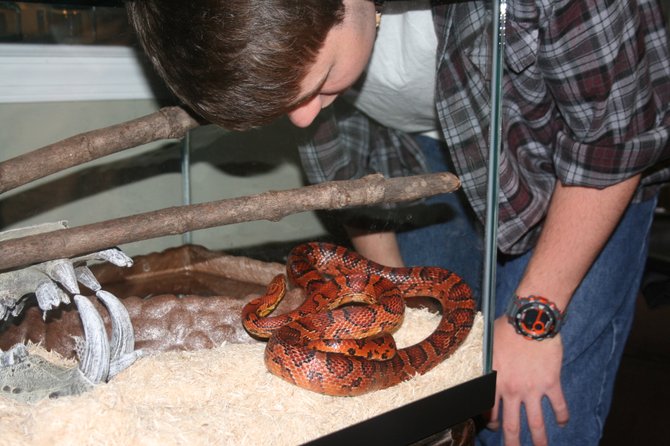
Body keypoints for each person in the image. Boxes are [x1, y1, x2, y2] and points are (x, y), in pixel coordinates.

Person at [126, 1, 670, 445]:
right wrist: (385, 293)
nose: (304, 118)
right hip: (421, 163)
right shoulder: (302, 39)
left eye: (319, 85)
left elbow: (614, 139)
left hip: (580, 169)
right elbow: (345, 160)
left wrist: (537, 316)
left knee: (531, 420)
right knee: (443, 407)